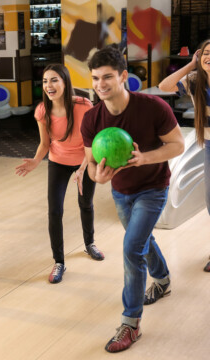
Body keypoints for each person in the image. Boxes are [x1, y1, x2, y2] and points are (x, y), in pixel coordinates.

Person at [81, 45, 184, 352]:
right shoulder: (91, 119)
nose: (101, 84)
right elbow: (89, 163)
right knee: (141, 242)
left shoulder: (153, 107)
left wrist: (144, 158)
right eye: (96, 78)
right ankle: (162, 279)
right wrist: (95, 177)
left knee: (131, 248)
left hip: (153, 188)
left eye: (108, 77)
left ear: (124, 76)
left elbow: (177, 145)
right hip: (120, 192)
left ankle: (131, 324)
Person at [15, 63, 104, 285]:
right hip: (58, 162)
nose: (49, 85)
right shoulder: (42, 111)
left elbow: (92, 142)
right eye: (45, 81)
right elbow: (45, 143)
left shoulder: (83, 105)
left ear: (65, 82)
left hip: (84, 159)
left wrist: (84, 167)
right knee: (54, 211)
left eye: (54, 80)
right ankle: (59, 261)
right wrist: (36, 160)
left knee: (86, 203)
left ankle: (90, 243)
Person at [158, 40, 210, 273]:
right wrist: (191, 65)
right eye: (206, 53)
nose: (209, 57)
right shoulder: (194, 81)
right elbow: (164, 85)